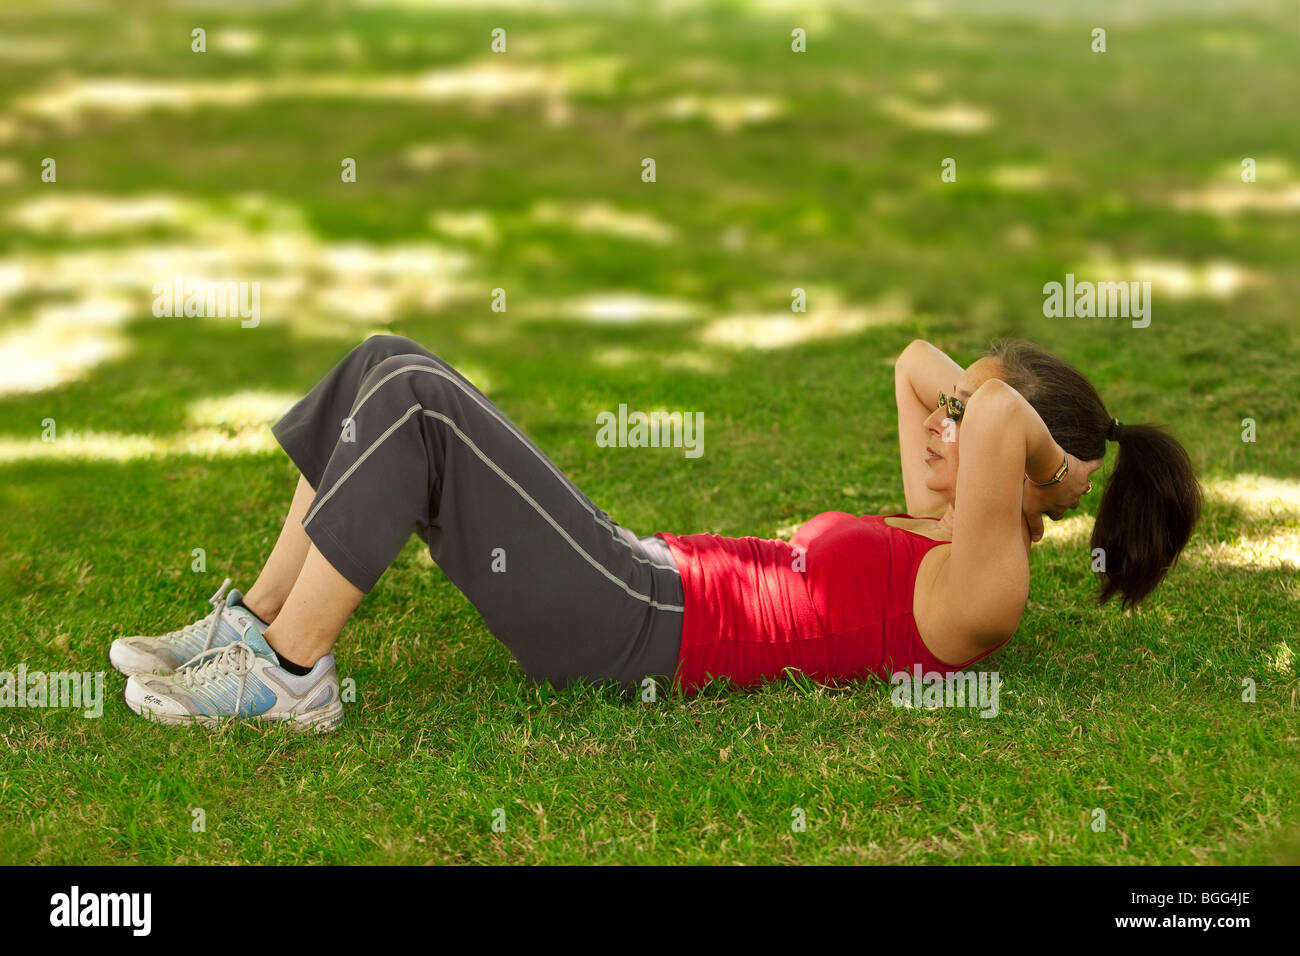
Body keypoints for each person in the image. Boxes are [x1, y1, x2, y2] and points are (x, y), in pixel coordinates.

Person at [111, 335, 1201, 731]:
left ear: (1024, 474)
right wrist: (979, 404)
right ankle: (252, 623)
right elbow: (916, 358)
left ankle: (292, 672)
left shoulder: (979, 597)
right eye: (950, 417)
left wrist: (1051, 466)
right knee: (382, 362)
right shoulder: (936, 533)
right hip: (635, 571)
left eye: (965, 427)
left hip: (641, 624)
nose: (940, 425)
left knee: (414, 402)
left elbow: (998, 413)